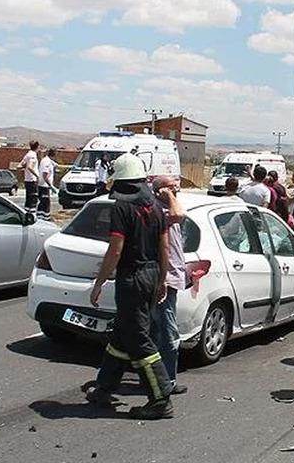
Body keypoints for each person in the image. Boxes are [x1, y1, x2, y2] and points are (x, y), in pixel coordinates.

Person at [85, 153, 174, 420]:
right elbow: (164, 247)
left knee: (138, 340)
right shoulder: (156, 208)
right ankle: (104, 388)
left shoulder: (122, 209)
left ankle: (160, 399)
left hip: (132, 278)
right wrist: (162, 279)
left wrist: (99, 283)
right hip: (150, 274)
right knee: (123, 335)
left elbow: (115, 250)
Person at [151, 175, 189, 396]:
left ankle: (162, 379)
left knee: (157, 331)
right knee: (168, 334)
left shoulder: (165, 207)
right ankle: (167, 383)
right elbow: (178, 215)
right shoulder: (161, 210)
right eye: (173, 190)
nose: (177, 193)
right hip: (164, 279)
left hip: (171, 276)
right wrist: (167, 195)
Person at [19, 141, 40, 217]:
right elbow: (30, 167)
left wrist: (25, 166)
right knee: (33, 198)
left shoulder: (27, 154)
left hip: (27, 179)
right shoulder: (33, 155)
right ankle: (32, 216)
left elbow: (19, 166)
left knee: (28, 199)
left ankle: (26, 214)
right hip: (32, 180)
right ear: (37, 147)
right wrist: (37, 175)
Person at [37, 149, 59, 221]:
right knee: (46, 203)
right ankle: (46, 218)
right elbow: (44, 175)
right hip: (44, 186)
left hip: (42, 185)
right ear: (54, 155)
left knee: (42, 203)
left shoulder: (46, 160)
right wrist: (51, 186)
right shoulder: (47, 162)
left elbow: (52, 163)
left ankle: (40, 217)